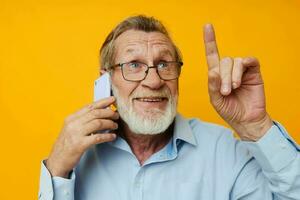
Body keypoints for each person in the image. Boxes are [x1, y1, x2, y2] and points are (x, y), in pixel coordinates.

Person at [38, 15, 300, 200]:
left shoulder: (225, 151)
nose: (153, 81)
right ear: (106, 80)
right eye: (133, 65)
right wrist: (57, 170)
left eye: (164, 64)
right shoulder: (77, 157)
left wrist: (257, 127)